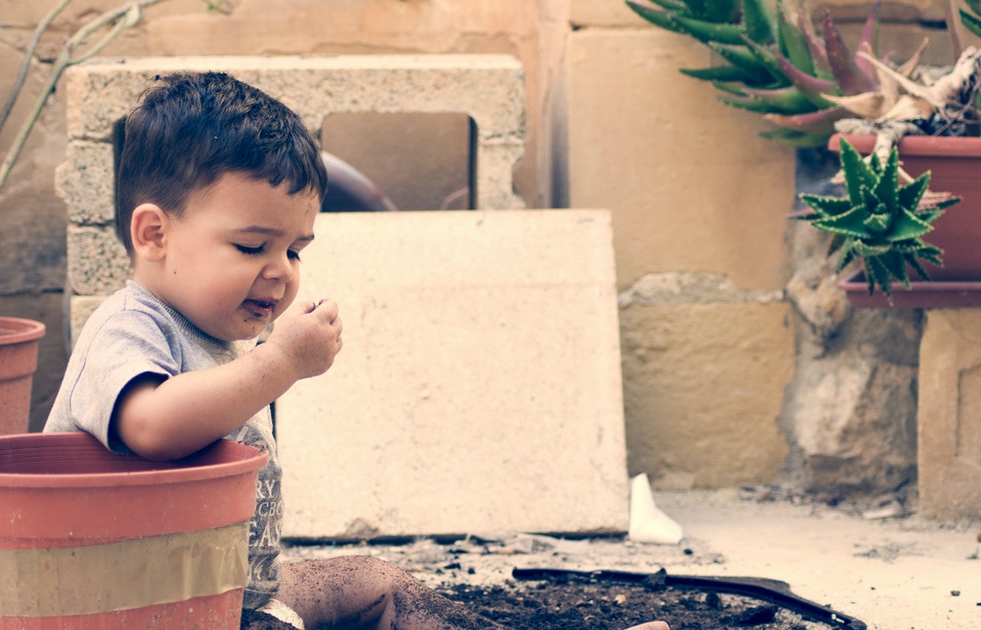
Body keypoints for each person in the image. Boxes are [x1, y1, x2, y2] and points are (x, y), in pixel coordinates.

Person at [45, 71, 667, 630]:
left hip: (233, 599)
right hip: (132, 613)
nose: (280, 273)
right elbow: (151, 425)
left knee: (377, 582)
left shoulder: (211, 336)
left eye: (294, 250)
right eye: (251, 246)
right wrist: (279, 363)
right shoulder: (126, 329)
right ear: (154, 233)